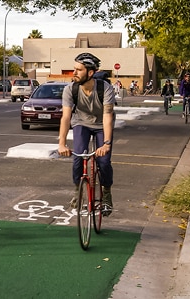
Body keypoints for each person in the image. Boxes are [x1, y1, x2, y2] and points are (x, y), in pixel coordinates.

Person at [57, 52, 116, 216]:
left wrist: (106, 143)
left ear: (90, 73)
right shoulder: (70, 89)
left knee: (103, 161)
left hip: (101, 125)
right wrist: (62, 143)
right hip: (81, 123)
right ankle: (77, 192)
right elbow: (66, 117)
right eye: (74, 69)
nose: (74, 73)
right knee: (78, 157)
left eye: (79, 70)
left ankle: (106, 193)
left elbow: (107, 117)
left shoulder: (105, 89)